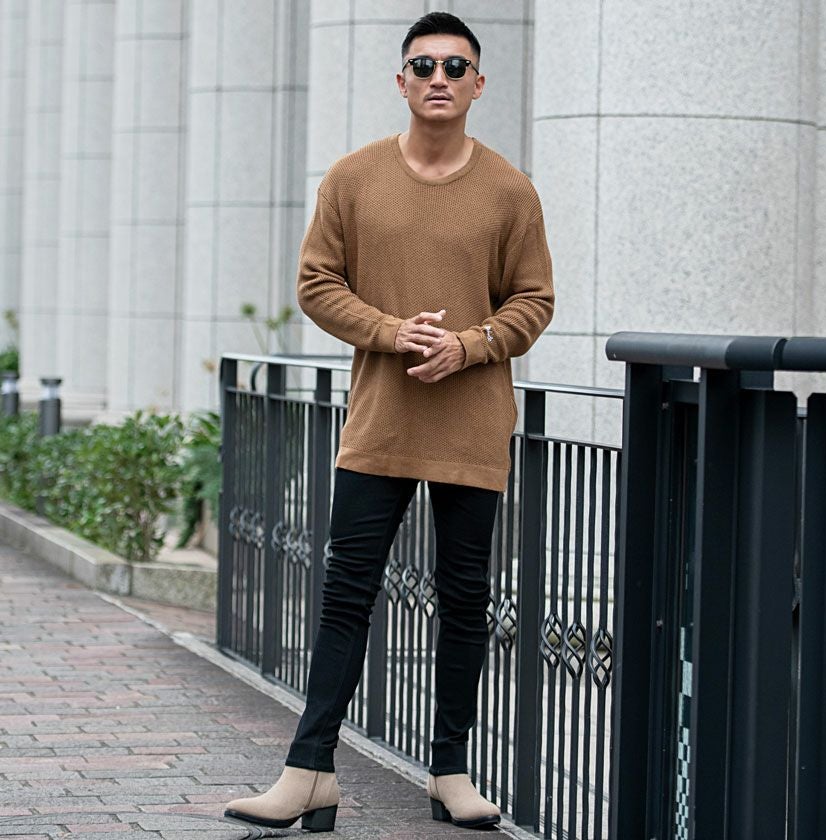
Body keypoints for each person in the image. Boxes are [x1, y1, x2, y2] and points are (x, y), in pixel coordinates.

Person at [224, 10, 554, 833]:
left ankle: (450, 771)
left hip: (471, 426)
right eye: (424, 66)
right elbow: (317, 283)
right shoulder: (353, 178)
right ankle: (308, 771)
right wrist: (390, 331)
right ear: (401, 81)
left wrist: (470, 345)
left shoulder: (511, 191)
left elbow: (534, 300)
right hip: (380, 422)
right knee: (346, 594)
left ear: (479, 84)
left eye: (455, 66)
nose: (439, 78)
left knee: (464, 598)